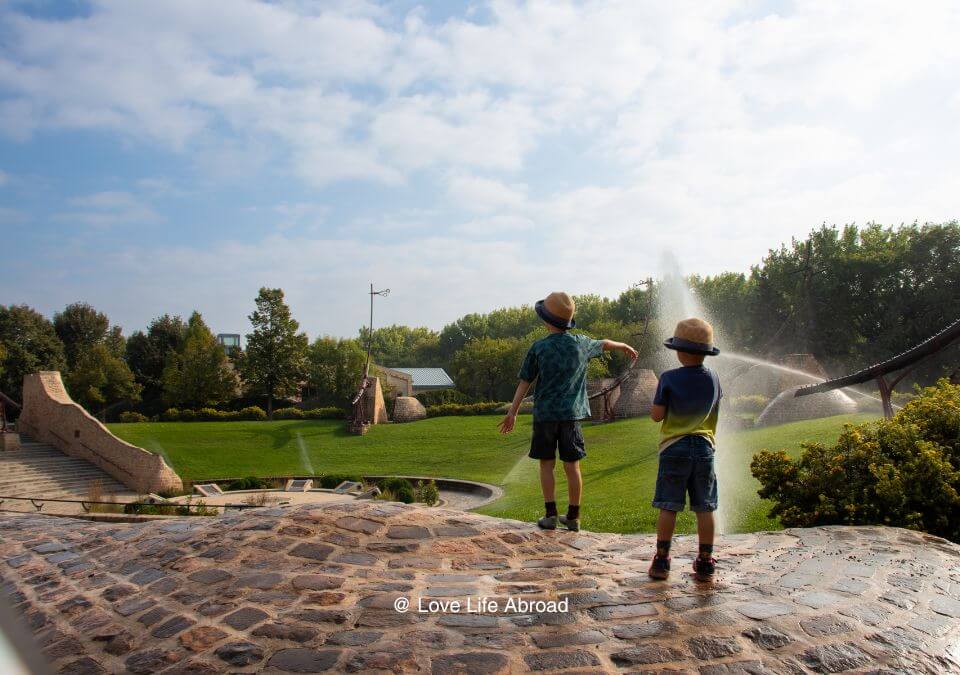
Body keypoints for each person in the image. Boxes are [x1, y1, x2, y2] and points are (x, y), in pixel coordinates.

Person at [499, 291, 638, 532]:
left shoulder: (539, 348)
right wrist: (623, 345)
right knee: (572, 466)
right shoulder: (581, 343)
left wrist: (512, 412)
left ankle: (550, 514)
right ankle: (573, 517)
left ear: (545, 321)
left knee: (546, 464)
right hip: (571, 416)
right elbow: (604, 343)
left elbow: (524, 382)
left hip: (545, 416)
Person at [648, 317, 722, 582]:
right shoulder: (714, 378)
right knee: (705, 507)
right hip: (704, 448)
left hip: (674, 448)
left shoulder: (668, 378)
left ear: (679, 351)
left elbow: (657, 416)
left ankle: (662, 560)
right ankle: (705, 562)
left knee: (669, 505)